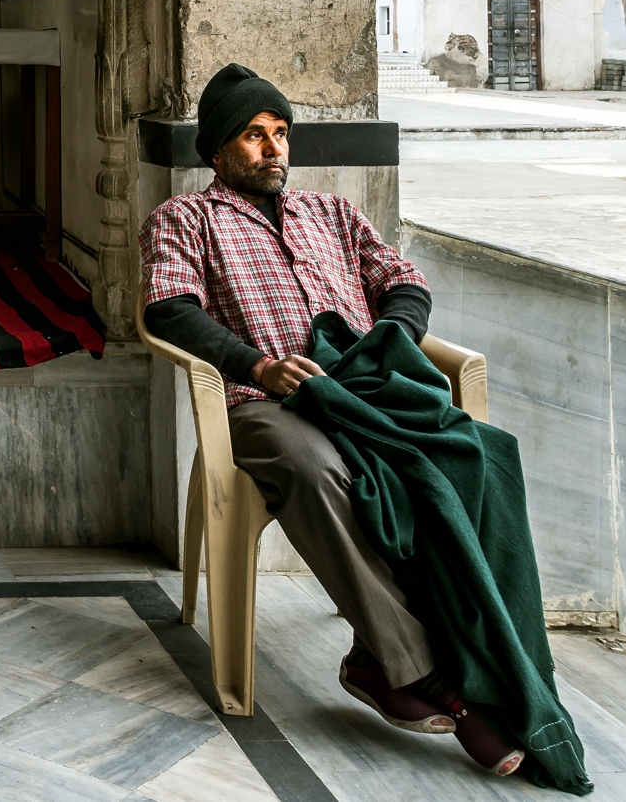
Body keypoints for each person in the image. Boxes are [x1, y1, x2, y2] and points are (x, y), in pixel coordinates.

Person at [139, 63, 526, 778]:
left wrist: (390, 345)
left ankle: (469, 655)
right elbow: (169, 309)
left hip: (362, 395)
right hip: (263, 405)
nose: (274, 148)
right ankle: (420, 673)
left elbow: (402, 281)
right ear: (218, 150)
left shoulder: (333, 214)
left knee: (477, 456)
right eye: (254, 135)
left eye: (281, 133)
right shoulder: (185, 218)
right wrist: (259, 366)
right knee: (318, 467)